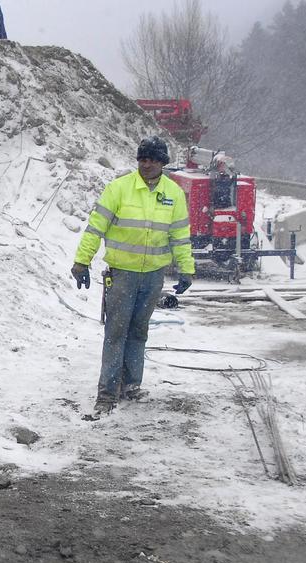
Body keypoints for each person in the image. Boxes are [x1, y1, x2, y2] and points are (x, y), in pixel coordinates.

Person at [71, 137, 194, 416]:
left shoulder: (173, 194)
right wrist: (82, 261)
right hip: (122, 275)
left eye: (152, 160)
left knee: (139, 332)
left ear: (162, 162)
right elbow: (95, 228)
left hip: (152, 276)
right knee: (116, 332)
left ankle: (130, 386)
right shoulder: (119, 189)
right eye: (142, 159)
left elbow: (180, 236)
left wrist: (187, 269)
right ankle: (106, 394)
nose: (146, 164)